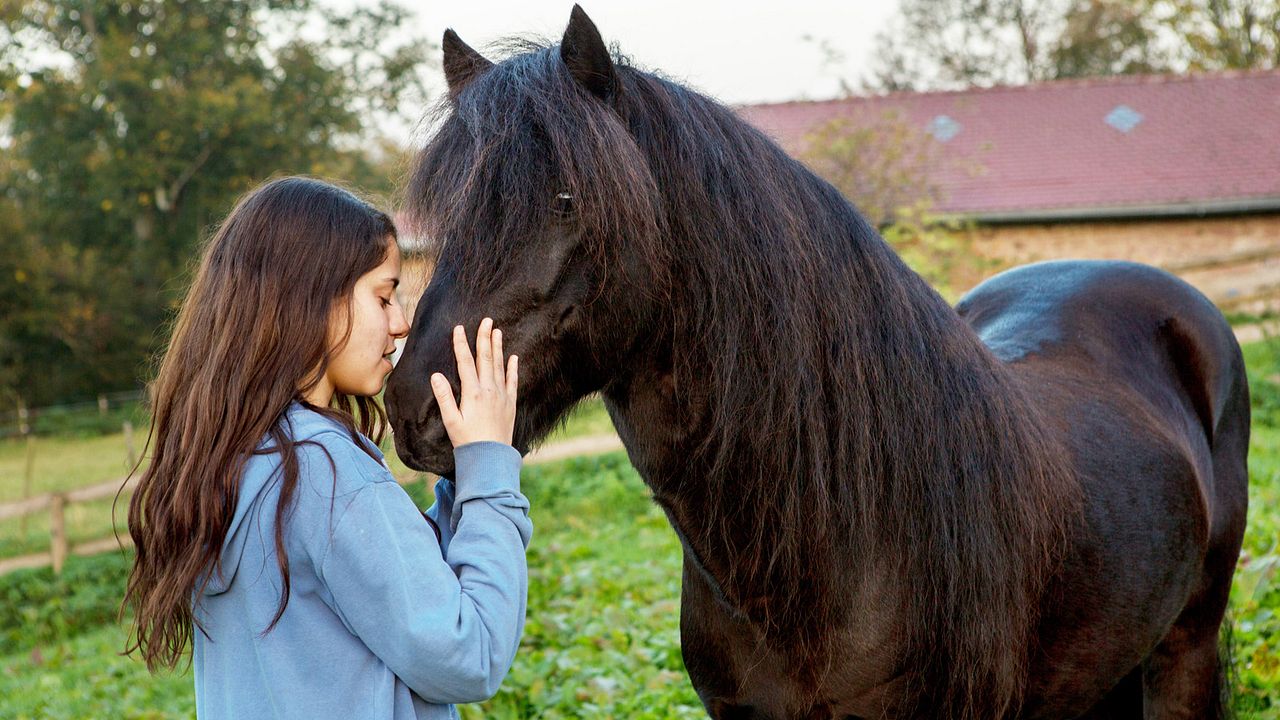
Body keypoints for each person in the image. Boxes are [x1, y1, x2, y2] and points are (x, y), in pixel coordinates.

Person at [122, 176, 531, 720]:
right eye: (384, 296)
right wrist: (489, 471)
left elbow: (394, 591)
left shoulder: (234, 460)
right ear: (313, 297)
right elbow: (468, 654)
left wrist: (459, 482)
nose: (401, 322)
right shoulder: (325, 473)